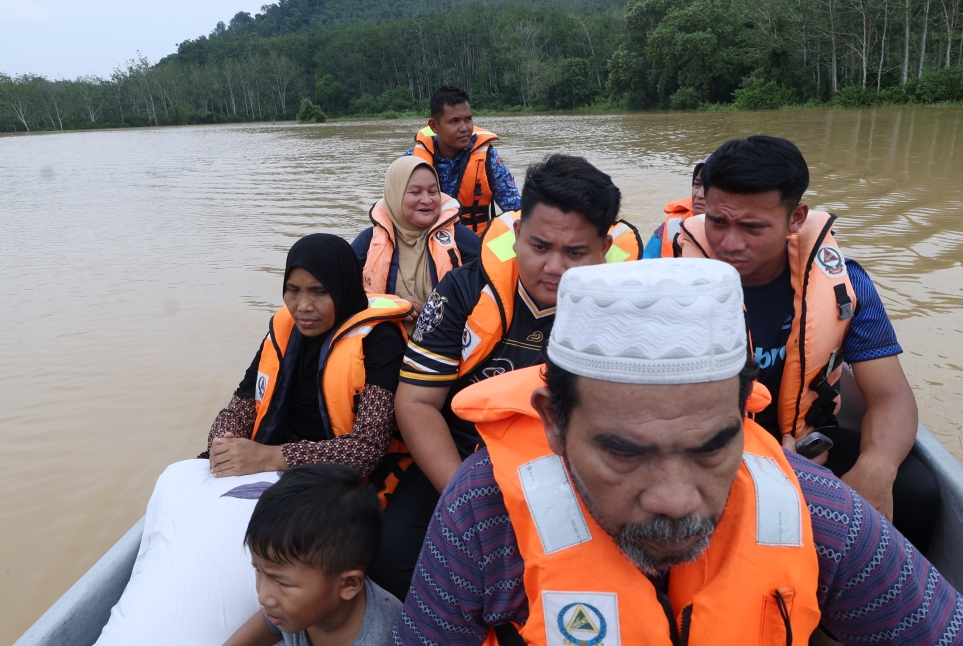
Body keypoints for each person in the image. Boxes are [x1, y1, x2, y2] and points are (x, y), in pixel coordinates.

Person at [393, 259, 963, 646]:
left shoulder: (816, 513)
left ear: (744, 418)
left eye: (711, 449)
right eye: (625, 455)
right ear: (555, 424)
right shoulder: (482, 515)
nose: (673, 499)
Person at [368, 154, 641, 600]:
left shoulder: (626, 305)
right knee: (391, 560)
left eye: (575, 253)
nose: (554, 267)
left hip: (570, 465)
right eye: (539, 246)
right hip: (462, 457)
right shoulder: (462, 290)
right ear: (517, 235)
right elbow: (415, 404)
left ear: (605, 247)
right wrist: (468, 501)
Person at [677, 135, 938, 551]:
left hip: (808, 438)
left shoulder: (844, 284)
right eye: (718, 222)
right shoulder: (668, 279)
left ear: (796, 218)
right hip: (706, 451)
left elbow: (890, 393)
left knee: (917, 492)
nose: (730, 243)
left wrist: (876, 467)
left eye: (752, 227)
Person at [201, 234, 412, 504]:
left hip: (347, 481)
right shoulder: (282, 333)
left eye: (319, 291)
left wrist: (269, 456)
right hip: (275, 463)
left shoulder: (379, 341)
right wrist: (222, 445)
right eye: (293, 290)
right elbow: (238, 408)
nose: (303, 307)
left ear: (342, 287)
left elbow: (367, 449)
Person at [223, 464, 402, 646]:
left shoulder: (386, 637)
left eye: (282, 582)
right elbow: (269, 625)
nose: (263, 596)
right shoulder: (293, 608)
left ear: (348, 584)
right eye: (258, 569)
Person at [351, 156, 480, 333]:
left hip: (448, 341)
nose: (427, 200)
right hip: (386, 342)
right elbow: (345, 296)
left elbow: (493, 285)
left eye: (433, 191)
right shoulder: (368, 241)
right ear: (395, 194)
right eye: (415, 192)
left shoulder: (460, 237)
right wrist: (395, 305)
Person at [406, 85, 521, 235]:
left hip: (475, 247)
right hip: (430, 244)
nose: (464, 128)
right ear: (434, 126)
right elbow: (395, 211)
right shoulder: (411, 161)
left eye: (468, 119)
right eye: (454, 121)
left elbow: (516, 209)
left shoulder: (488, 159)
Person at [642, 156, 707, 259]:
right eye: (697, 184)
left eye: (709, 187)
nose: (699, 194)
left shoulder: (737, 233)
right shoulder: (672, 225)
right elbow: (646, 264)